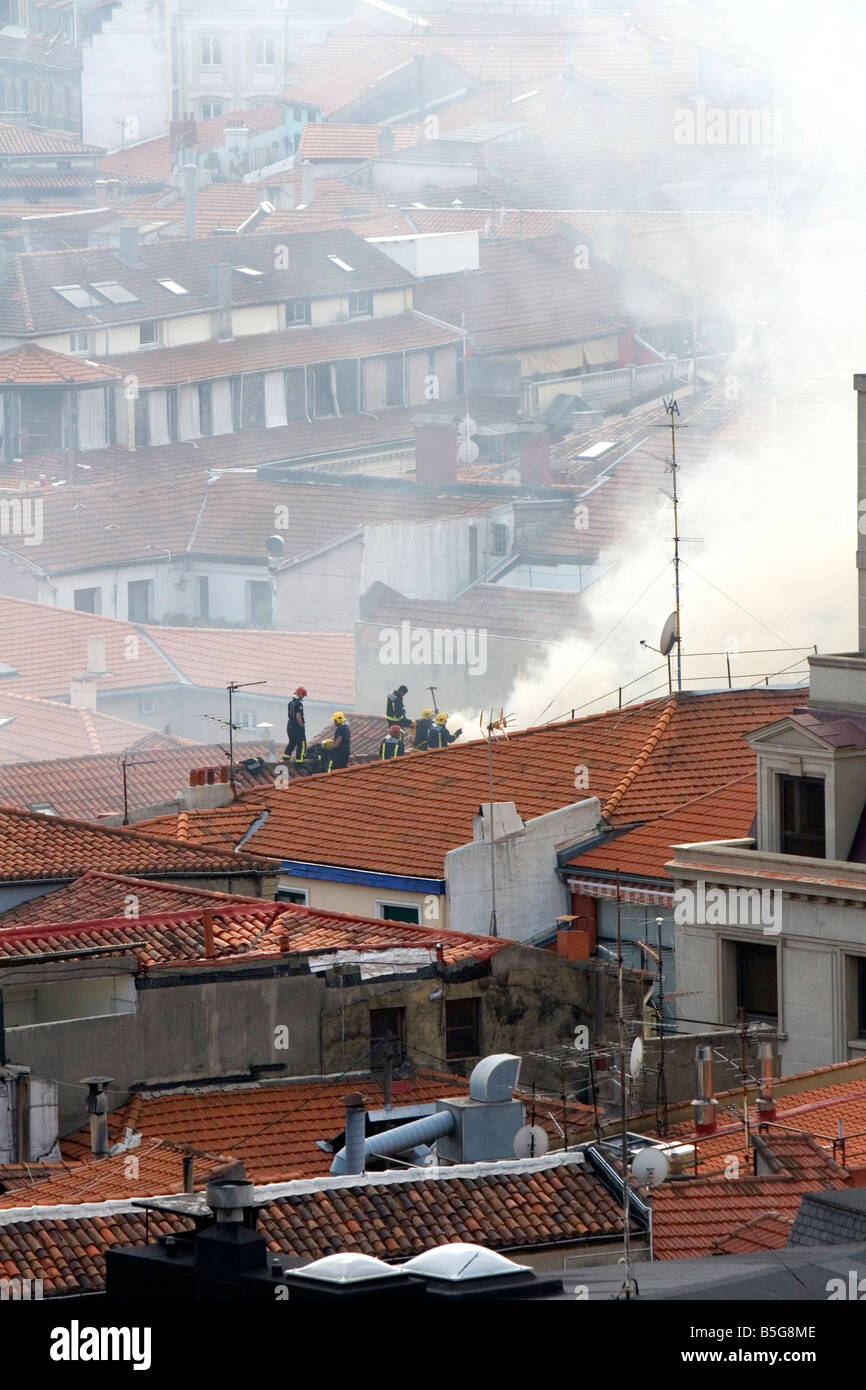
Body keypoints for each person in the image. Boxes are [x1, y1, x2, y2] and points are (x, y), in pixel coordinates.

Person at [282, 686, 307, 762]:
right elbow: (298, 716)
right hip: (297, 726)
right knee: (302, 743)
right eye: (303, 695)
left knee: (292, 742)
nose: (303, 697)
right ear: (300, 694)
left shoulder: (290, 703)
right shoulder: (298, 704)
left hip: (290, 725)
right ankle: (299, 760)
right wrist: (301, 726)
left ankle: (286, 757)